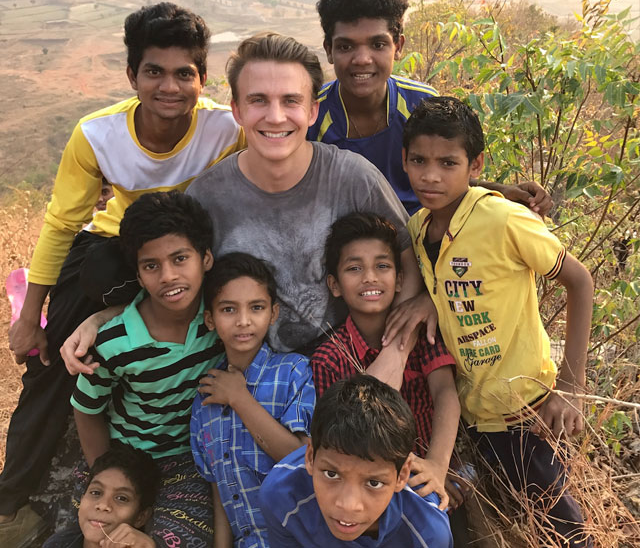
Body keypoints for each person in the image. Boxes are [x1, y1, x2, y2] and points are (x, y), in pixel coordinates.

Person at [3, 3, 244, 540]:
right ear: (131, 73)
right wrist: (32, 317)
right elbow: (62, 224)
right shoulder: (98, 134)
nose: (169, 86)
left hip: (186, 254)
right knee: (57, 359)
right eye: (153, 71)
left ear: (202, 78)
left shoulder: (225, 129)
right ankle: (11, 503)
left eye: (185, 73)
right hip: (115, 254)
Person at [404, 96, 594, 547]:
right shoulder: (417, 227)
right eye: (418, 161)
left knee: (563, 532)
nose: (431, 175)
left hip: (525, 410)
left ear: (475, 165)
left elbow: (580, 281)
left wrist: (572, 388)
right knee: (507, 527)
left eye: (448, 163)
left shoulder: (504, 218)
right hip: (473, 416)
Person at [186, 32, 428, 360]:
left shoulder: (353, 178)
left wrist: (393, 357)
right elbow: (175, 286)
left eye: (290, 100)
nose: (275, 117)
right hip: (255, 377)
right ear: (237, 111)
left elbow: (407, 259)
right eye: (258, 100)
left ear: (312, 111)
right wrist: (102, 317)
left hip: (353, 363)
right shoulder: (206, 197)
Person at [71, 191, 224, 547]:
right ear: (138, 276)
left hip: (185, 463)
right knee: (99, 537)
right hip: (123, 457)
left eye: (180, 258)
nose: (168, 276)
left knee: (177, 540)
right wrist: (106, 475)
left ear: (206, 258)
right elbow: (86, 408)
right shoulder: (113, 343)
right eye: (151, 266)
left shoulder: (220, 319)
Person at [309, 0, 552, 215]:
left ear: (398, 47)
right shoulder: (311, 114)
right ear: (329, 50)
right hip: (352, 250)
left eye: (378, 45)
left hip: (423, 236)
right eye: (345, 46)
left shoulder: (421, 103)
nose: (362, 59)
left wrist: (502, 191)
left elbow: (444, 177)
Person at [311, 212, 459, 509]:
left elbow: (445, 393)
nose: (370, 277)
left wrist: (437, 467)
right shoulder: (328, 358)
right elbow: (334, 438)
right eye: (354, 268)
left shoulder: (421, 331)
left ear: (400, 279)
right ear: (334, 284)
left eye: (382, 266)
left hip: (425, 472)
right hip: (363, 487)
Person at [190, 252, 316, 548]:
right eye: (228, 309)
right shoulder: (204, 399)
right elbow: (219, 493)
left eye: (256, 308)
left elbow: (301, 459)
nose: (243, 321)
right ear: (210, 318)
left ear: (273, 313)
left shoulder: (293, 372)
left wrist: (239, 398)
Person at [259, 374, 453, 548]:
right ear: (310, 458)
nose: (348, 505)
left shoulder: (427, 534)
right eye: (331, 474)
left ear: (401, 476)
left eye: (374, 483)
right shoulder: (282, 497)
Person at [43, 444, 160, 548]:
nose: (103, 505)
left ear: (141, 517)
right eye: (95, 492)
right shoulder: (58, 543)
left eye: (121, 498)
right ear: (82, 499)